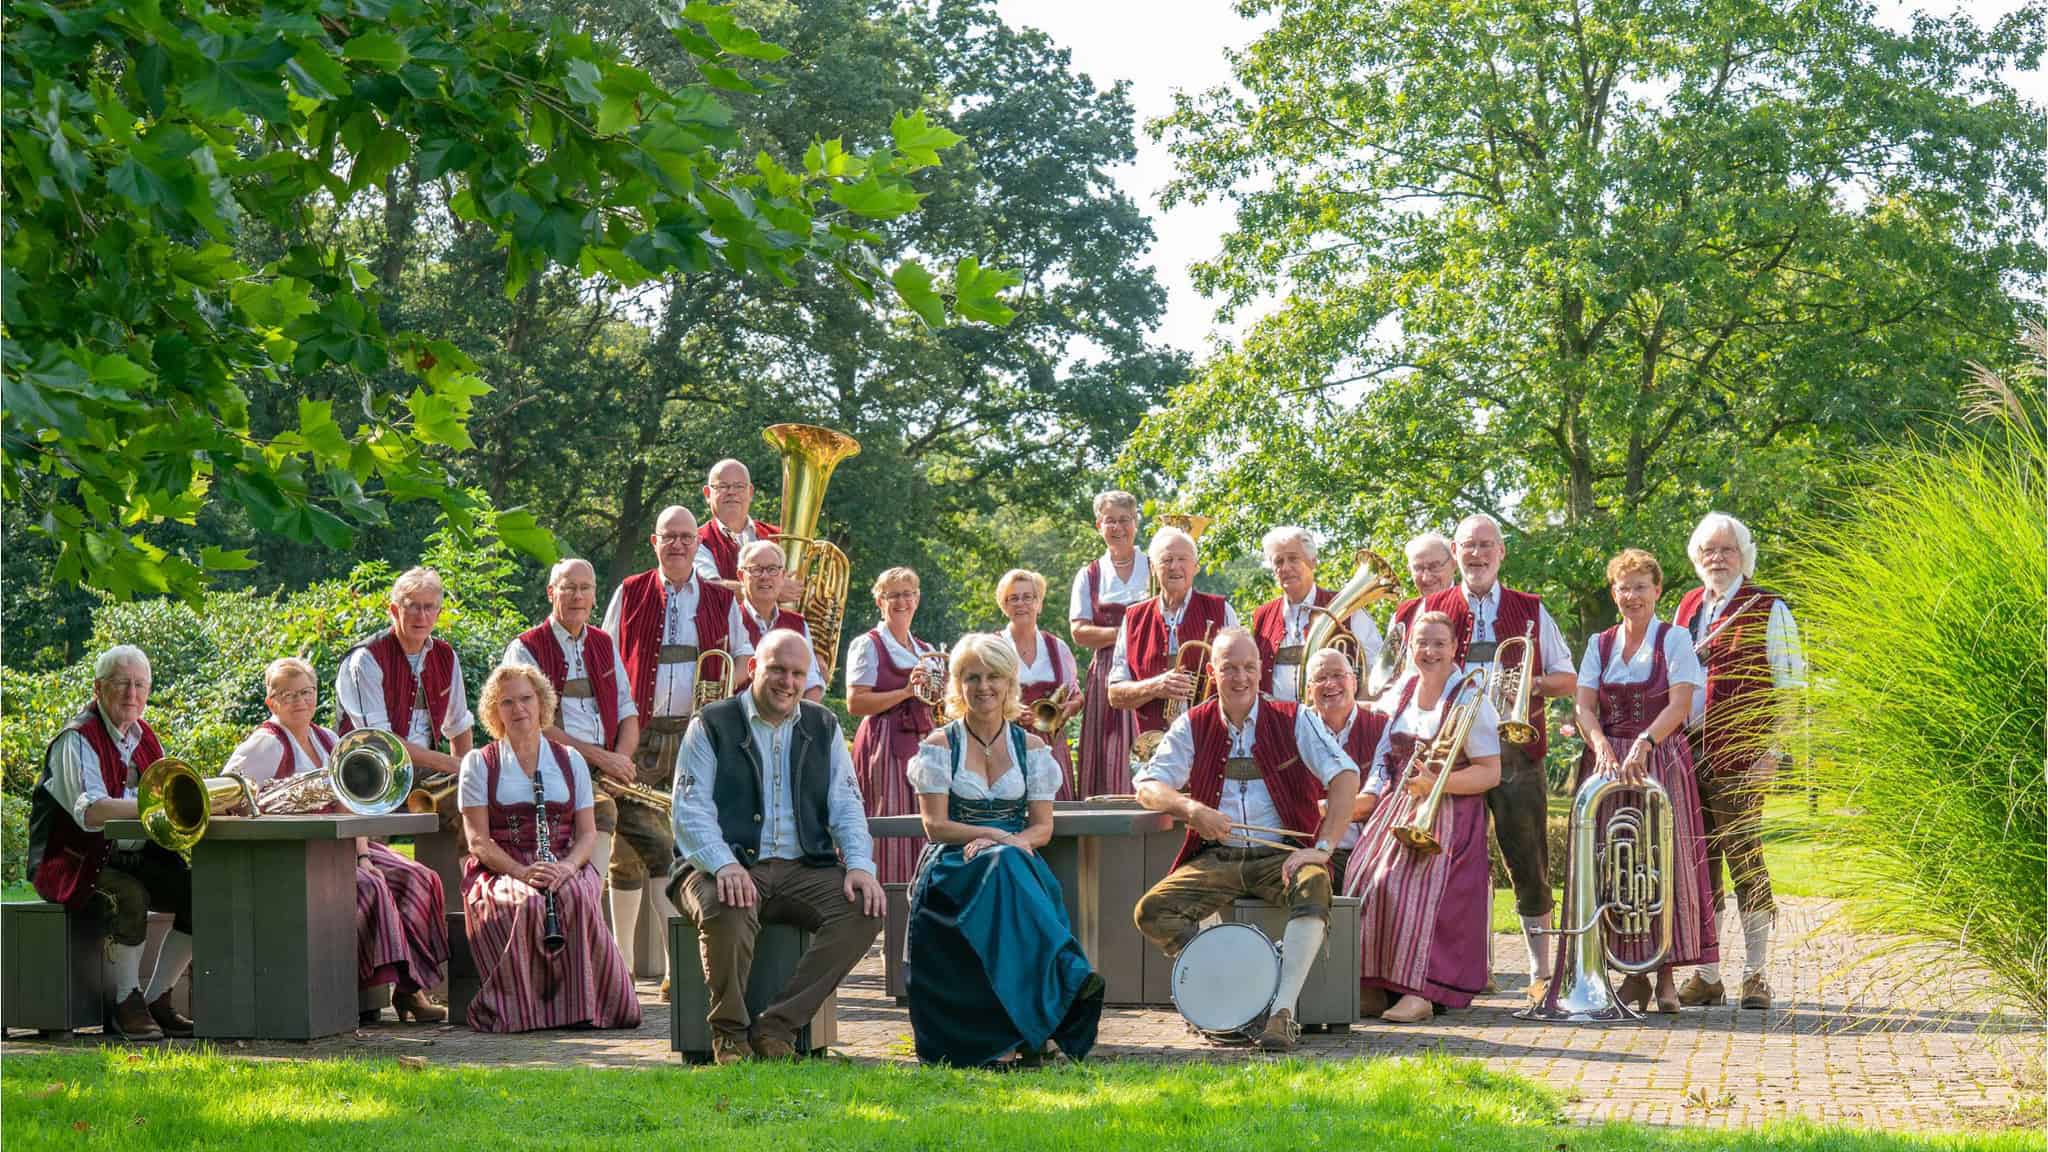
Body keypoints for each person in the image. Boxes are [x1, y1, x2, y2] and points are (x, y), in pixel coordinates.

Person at [1130, 628, 1360, 1051]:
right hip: (1217, 857)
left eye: (1249, 668)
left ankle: (1281, 1013)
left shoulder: (1295, 717)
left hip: (1281, 856)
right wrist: (1191, 810)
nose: (1241, 678)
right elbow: (1147, 787)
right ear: (1212, 673)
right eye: (1230, 668)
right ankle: (1232, 993)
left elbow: (1345, 776)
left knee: (1314, 882)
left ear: (1261, 670)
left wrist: (1321, 849)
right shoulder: (1192, 723)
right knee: (1153, 912)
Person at [670, 630, 885, 1064]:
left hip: (802, 867)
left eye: (798, 674)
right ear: (753, 669)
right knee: (728, 904)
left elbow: (846, 804)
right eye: (777, 670)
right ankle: (729, 1035)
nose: (788, 682)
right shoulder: (710, 723)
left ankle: (778, 1028)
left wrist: (860, 865)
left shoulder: (823, 725)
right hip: (713, 864)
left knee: (865, 909)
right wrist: (723, 864)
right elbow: (689, 810)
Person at [906, 634, 1103, 1066]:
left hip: (1014, 857)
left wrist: (1009, 843)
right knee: (1004, 866)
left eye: (993, 676)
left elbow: (1042, 828)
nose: (983, 687)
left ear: (1010, 683)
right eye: (972, 677)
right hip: (955, 861)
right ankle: (1068, 978)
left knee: (1007, 866)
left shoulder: (1032, 748)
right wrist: (994, 837)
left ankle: (1021, 1029)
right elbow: (935, 826)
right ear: (958, 684)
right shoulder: (940, 746)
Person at [225, 657, 450, 1024]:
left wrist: (363, 855)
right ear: (271, 702)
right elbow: (229, 793)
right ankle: (362, 990)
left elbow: (349, 805)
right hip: (294, 854)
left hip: (343, 845)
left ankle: (409, 991)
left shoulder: (328, 739)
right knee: (370, 886)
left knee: (419, 878)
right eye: (288, 695)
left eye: (307, 692)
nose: (300, 701)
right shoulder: (264, 744)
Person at [1421, 514, 1576, 998]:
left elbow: (1567, 677)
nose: (1477, 554)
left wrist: (1529, 683)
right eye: (1468, 546)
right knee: (1455, 864)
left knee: (1527, 859)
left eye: (1486, 545)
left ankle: (1540, 972)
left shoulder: (1531, 609)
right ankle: (1466, 969)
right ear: (1455, 553)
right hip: (1455, 751)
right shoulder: (1432, 607)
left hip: (1516, 750)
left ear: (1502, 552)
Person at [603, 504, 754, 993]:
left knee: (683, 846)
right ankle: (622, 964)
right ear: (655, 542)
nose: (678, 544)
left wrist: (721, 698)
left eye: (686, 537)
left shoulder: (721, 599)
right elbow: (605, 655)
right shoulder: (629, 591)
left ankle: (678, 967)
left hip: (696, 737)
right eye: (668, 536)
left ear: (698, 543)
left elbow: (744, 657)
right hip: (640, 734)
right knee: (625, 850)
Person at [456, 664, 640, 1033]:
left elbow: (587, 833)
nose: (518, 709)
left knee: (574, 897)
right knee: (526, 904)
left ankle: (584, 1007)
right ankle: (526, 1012)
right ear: (495, 711)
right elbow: (478, 841)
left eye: (526, 698)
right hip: (502, 868)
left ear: (542, 703)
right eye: (507, 702)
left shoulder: (570, 760)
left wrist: (568, 867)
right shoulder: (478, 763)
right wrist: (521, 872)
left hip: (563, 862)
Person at [1573, 550, 1719, 1013]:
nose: (1632, 596)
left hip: (1659, 757)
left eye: (1640, 587)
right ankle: (1630, 976)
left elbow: (1680, 705)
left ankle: (1665, 976)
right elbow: (1583, 706)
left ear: (1657, 591)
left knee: (1661, 863)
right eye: (1624, 588)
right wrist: (1600, 745)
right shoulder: (1598, 643)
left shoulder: (1674, 638)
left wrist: (1644, 742)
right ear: (1614, 593)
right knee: (1612, 865)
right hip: (1607, 764)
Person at [1672, 512, 1806, 1010]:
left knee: (1746, 860)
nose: (1717, 559)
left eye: (1727, 550)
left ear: (1743, 555)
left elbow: (1791, 688)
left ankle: (1756, 974)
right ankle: (1708, 975)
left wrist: (1774, 751)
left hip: (1743, 757)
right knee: (1699, 864)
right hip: (1689, 753)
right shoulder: (1687, 606)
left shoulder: (1769, 607)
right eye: (1708, 550)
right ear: (1697, 557)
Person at [27, 645, 194, 1039]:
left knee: (201, 892)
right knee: (129, 896)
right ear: (98, 688)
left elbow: (165, 793)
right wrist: (157, 808)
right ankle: (126, 1002)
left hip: (131, 858)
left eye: (140, 685)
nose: (131, 694)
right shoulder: (76, 738)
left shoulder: (147, 737)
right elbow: (91, 812)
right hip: (71, 862)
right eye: (121, 683)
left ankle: (158, 997)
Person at [1343, 612, 1503, 1022]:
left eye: (1438, 643)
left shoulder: (1470, 698)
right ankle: (1375, 987)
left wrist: (1438, 784)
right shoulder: (1403, 689)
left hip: (1449, 812)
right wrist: (1369, 794)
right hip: (1399, 803)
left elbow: (1490, 772)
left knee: (1409, 884)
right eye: (1421, 643)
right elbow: (1383, 754)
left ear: (1454, 649)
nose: (1429, 651)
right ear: (1410, 648)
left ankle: (1421, 992)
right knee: (1364, 875)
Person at [504, 558, 637, 937]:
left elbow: (627, 710)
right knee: (603, 810)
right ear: (552, 592)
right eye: (568, 587)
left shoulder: (604, 643)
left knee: (660, 840)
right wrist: (602, 759)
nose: (578, 596)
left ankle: (643, 963)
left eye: (585, 588)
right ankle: (589, 919)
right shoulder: (525, 648)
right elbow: (532, 724)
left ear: (595, 595)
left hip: (606, 767)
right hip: (550, 766)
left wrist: (622, 760)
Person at [335, 567, 475, 824]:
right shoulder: (365, 659)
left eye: (429, 607)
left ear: (438, 613)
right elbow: (380, 742)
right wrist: (453, 765)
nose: (421, 615)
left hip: (424, 772)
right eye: (412, 606)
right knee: (372, 842)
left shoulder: (446, 656)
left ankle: (466, 852)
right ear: (394, 610)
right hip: (366, 772)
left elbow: (458, 726)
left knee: (474, 801)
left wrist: (466, 773)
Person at [846, 566, 944, 884]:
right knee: (889, 812)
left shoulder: (925, 648)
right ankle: (886, 891)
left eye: (908, 594)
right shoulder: (868, 644)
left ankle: (921, 891)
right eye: (893, 596)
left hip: (924, 740)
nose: (902, 602)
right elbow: (855, 703)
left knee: (927, 814)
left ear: (917, 599)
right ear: (880, 601)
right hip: (885, 741)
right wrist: (905, 691)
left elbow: (935, 701)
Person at [1105, 526, 1239, 759]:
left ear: (1195, 566)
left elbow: (1241, 680)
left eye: (1182, 559)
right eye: (1166, 560)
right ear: (1153, 568)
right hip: (1153, 751)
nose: (1175, 566)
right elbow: (1114, 694)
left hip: (1211, 744)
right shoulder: (1133, 618)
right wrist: (1156, 686)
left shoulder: (1222, 611)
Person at [1068, 491, 1147, 797]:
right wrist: (1126, 633)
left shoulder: (1154, 566)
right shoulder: (1089, 574)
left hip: (1148, 667)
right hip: (1106, 670)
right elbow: (1079, 632)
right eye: (1110, 520)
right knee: (1108, 749)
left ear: (1136, 523)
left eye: (1124, 520)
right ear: (1099, 525)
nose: (1118, 527)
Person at [1250, 526, 1383, 703]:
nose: (1286, 567)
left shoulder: (1348, 608)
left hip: (1334, 717)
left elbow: (1376, 668)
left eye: (1293, 558)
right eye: (1278, 561)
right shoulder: (1263, 615)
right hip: (1277, 719)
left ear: (1312, 561)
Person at [1301, 648, 1391, 881]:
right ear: (1309, 691)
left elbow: (1373, 802)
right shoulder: (1296, 729)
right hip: (1309, 851)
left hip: (1369, 853)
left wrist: (1316, 810)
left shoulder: (1383, 726)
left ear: (1354, 681)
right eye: (1321, 678)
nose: (1330, 683)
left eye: (1338, 675)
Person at [996, 569, 1082, 799]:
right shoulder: (993, 647)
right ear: (1004, 606)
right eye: (1013, 598)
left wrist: (1067, 709)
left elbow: (1076, 695)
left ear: (1039, 603)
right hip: (1004, 744)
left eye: (1028, 597)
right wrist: (1010, 710)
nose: (1021, 604)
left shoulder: (1058, 647)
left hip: (1050, 745)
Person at [734, 539, 825, 702]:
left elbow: (812, 685)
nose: (765, 576)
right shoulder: (730, 620)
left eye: (772, 570)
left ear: (782, 576)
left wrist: (804, 717)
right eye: (756, 570)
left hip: (787, 716)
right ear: (741, 576)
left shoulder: (798, 624)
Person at [1371, 532, 1458, 699]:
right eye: (1418, 568)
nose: (1426, 577)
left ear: (1454, 563)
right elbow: (1387, 672)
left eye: (1434, 566)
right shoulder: (1402, 614)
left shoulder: (1470, 605)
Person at [694, 458, 781, 590]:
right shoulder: (695, 541)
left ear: (750, 492)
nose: (731, 492)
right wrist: (773, 588)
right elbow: (710, 587)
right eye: (722, 486)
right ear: (707, 494)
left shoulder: (778, 536)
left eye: (739, 486)